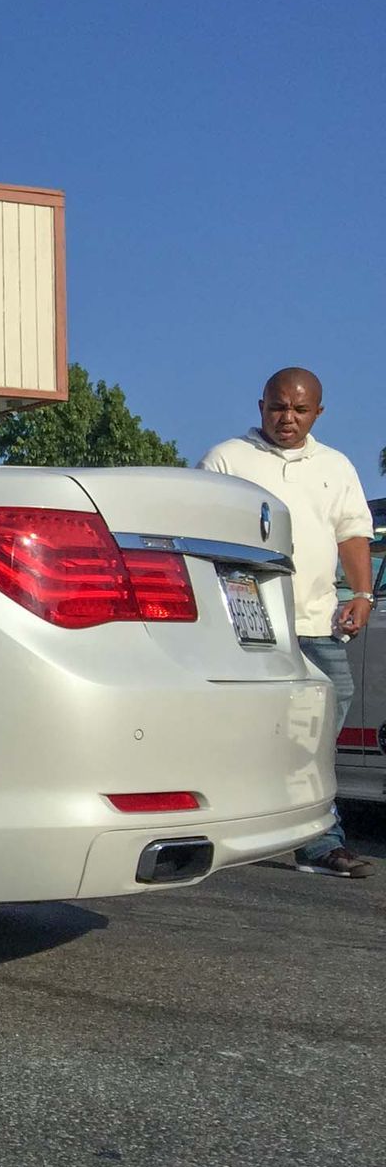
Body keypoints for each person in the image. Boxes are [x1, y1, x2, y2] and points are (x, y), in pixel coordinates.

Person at [200, 367, 374, 878]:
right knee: (239, 724)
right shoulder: (227, 459)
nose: (288, 418)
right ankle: (222, 827)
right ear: (261, 407)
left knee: (317, 727)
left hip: (317, 620)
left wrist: (362, 593)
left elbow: (352, 534)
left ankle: (317, 840)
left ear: (318, 413)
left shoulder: (335, 466)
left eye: (300, 410)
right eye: (278, 407)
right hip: (244, 625)